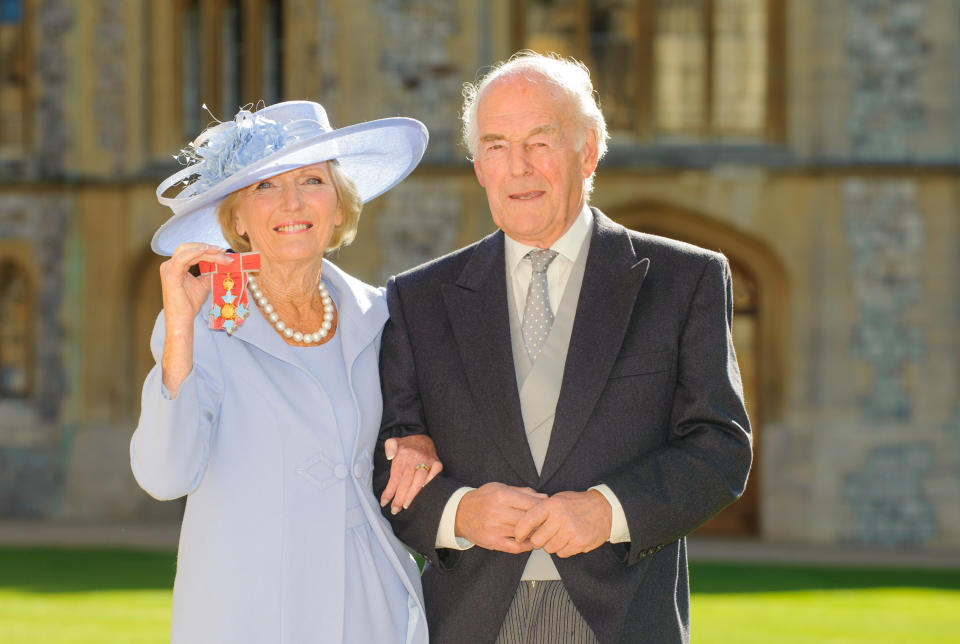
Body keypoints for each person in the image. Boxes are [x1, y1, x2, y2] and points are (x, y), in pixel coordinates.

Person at [373, 52, 753, 643]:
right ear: (478, 166)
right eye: (495, 146)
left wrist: (610, 510)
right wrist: (458, 513)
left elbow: (720, 449)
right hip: (469, 619)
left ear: (589, 150)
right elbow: (385, 458)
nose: (518, 167)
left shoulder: (685, 279)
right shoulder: (416, 299)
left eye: (540, 142)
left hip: (624, 618)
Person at [131, 100, 440, 643]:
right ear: (238, 219)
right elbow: (165, 476)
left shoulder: (385, 318)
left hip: (369, 604)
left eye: (312, 180)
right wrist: (180, 325)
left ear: (340, 207)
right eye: (265, 187)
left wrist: (421, 442)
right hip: (250, 607)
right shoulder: (198, 324)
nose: (292, 202)